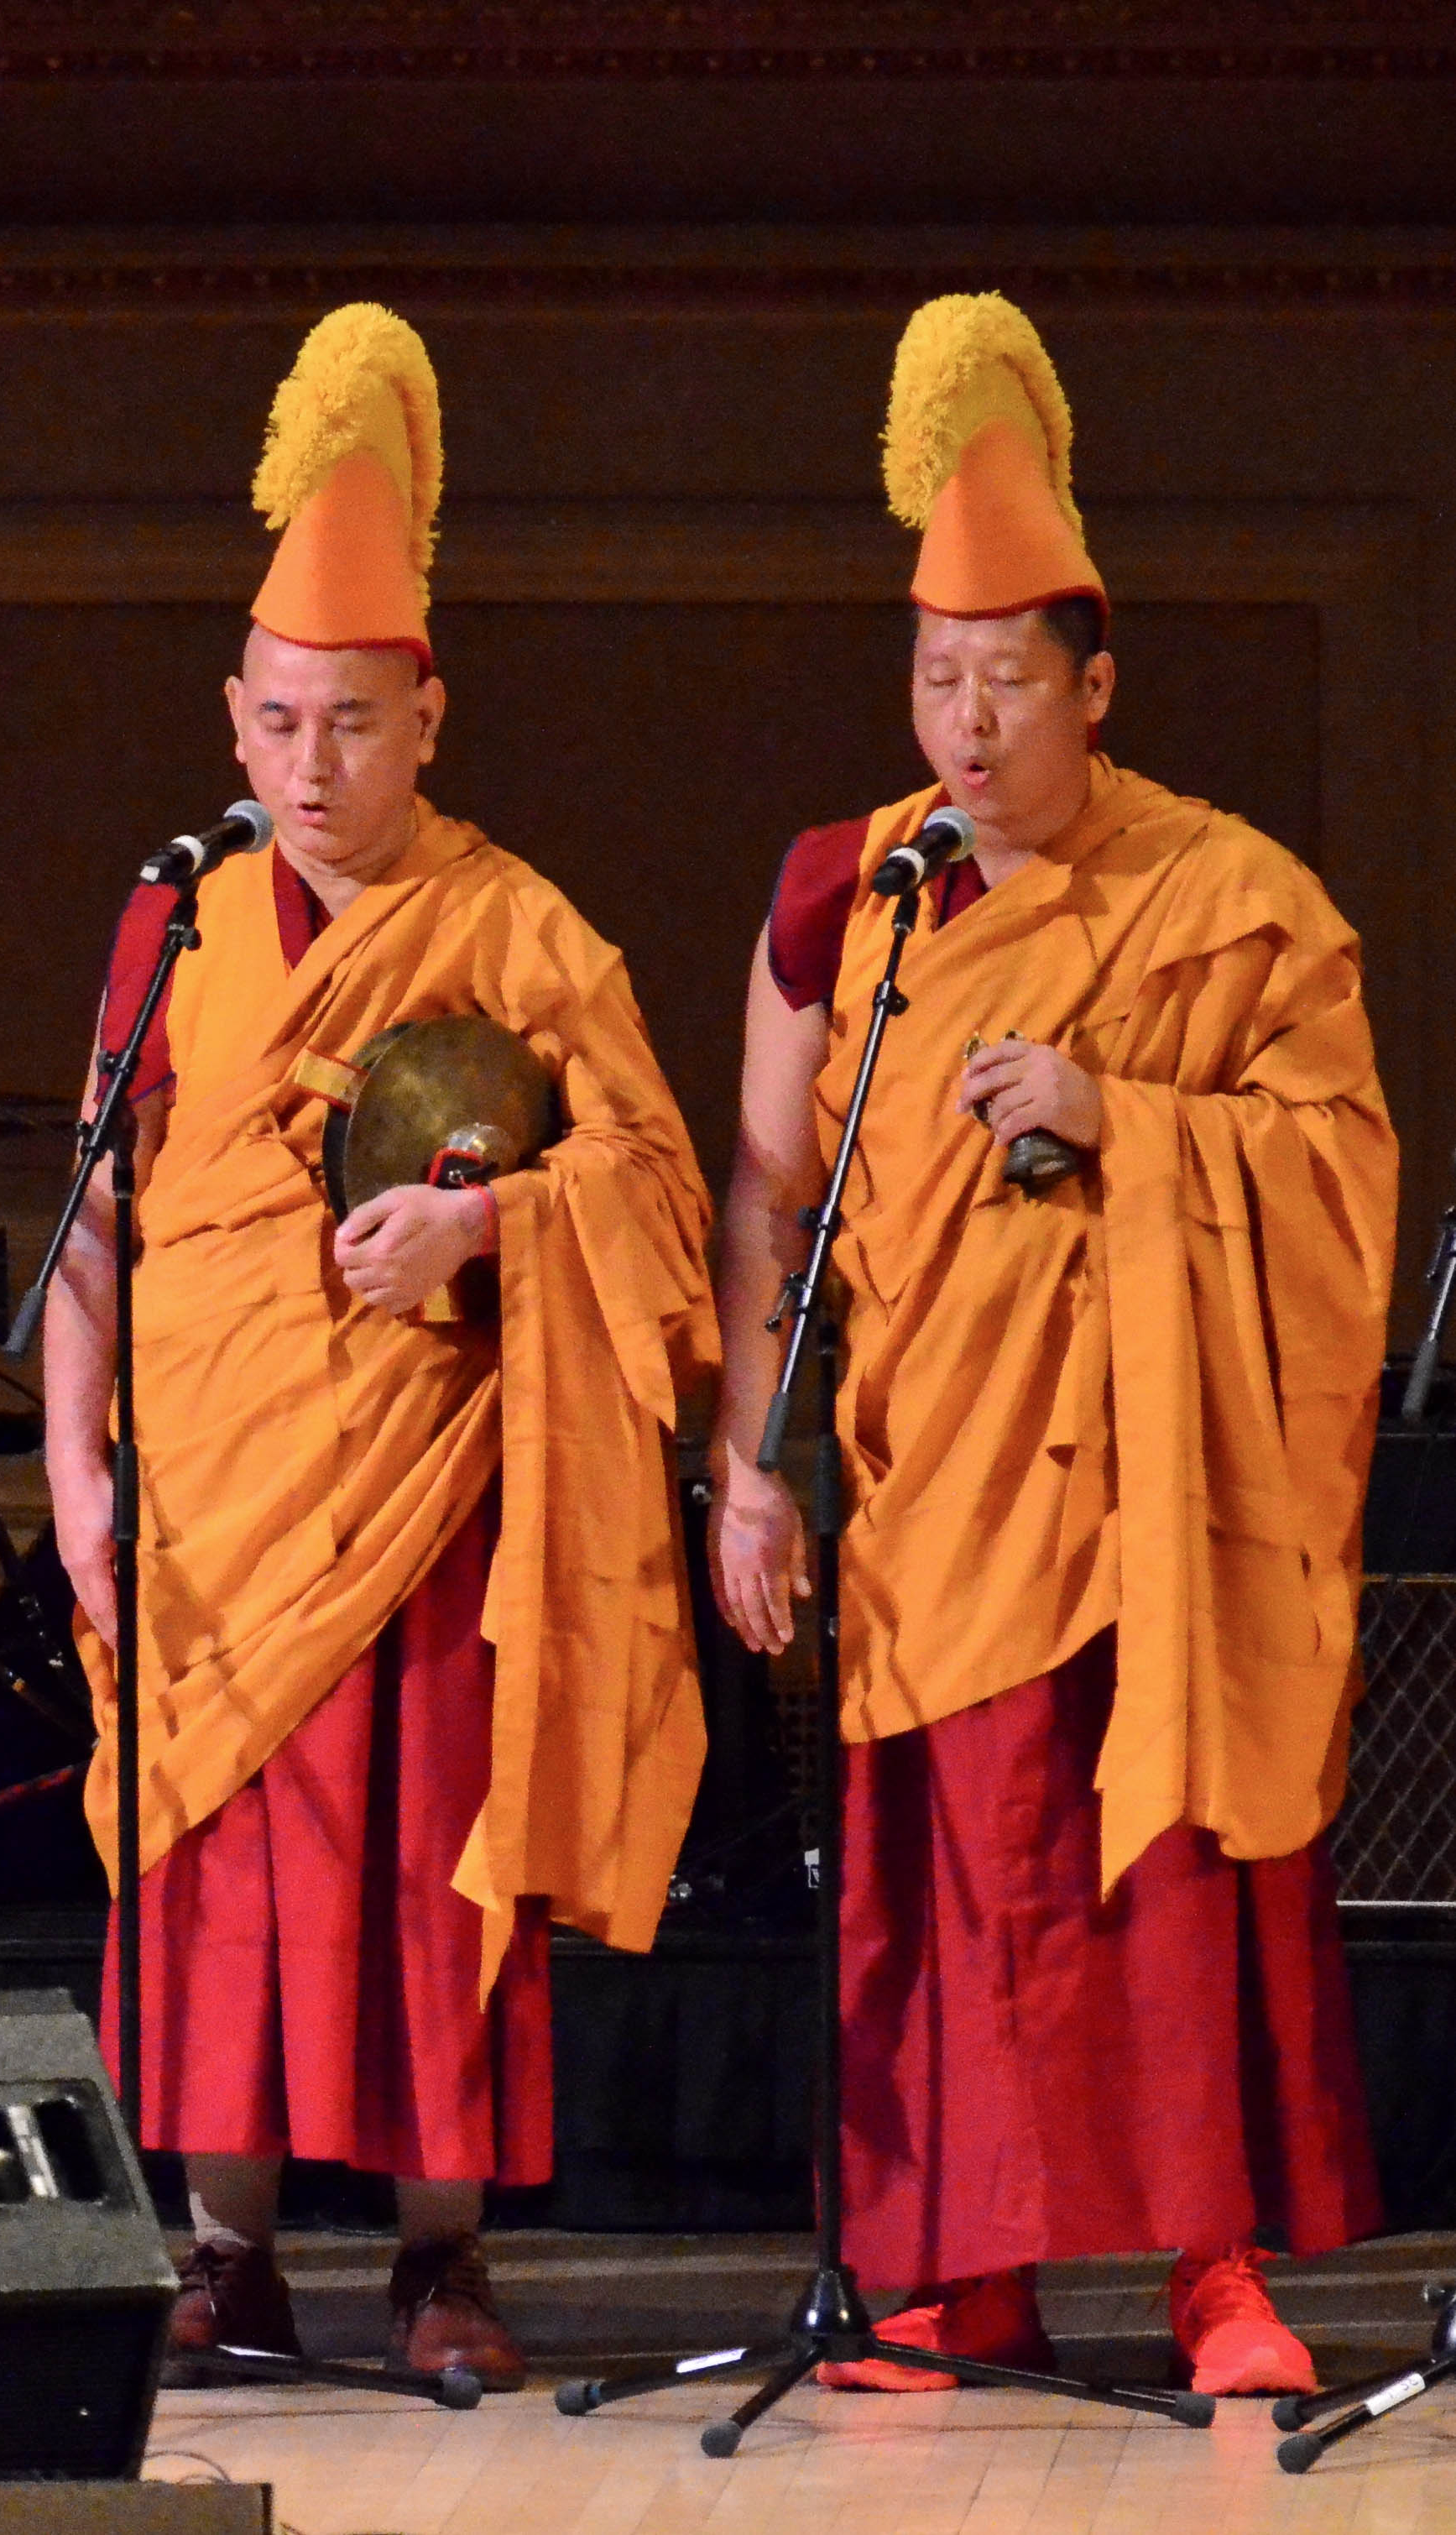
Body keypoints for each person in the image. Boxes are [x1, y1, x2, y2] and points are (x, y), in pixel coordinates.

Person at [709, 294, 1388, 2400]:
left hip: (1157, 1485)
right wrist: (752, 1457)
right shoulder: (856, 899)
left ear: (1097, 687)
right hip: (935, 1483)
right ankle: (964, 2279)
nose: (968, 722)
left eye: (1010, 681)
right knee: (966, 1888)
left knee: (1166, 1879)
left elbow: (1341, 1168)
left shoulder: (1229, 899)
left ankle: (1212, 2274)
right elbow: (763, 1191)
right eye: (936, 677)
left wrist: (1127, 1124)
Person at [41, 306, 718, 2391]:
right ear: (228, 722)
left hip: (429, 1489)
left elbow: (664, 1204)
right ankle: (221, 2248)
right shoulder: (171, 928)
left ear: (429, 714)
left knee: (427, 1863)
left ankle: (440, 2264)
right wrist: (76, 1473)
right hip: (217, 1486)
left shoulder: (524, 930)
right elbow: (88, 1225)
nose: (310, 768)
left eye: (352, 722)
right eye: (276, 724)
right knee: (226, 1868)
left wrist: (486, 1222)